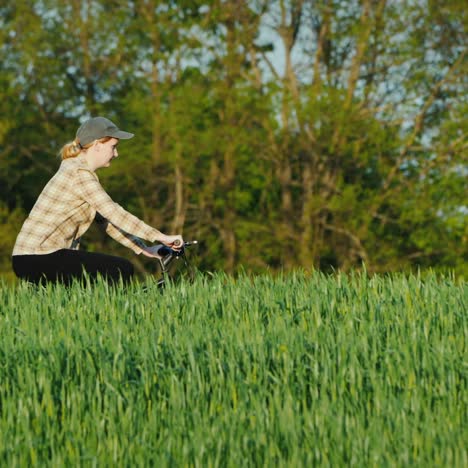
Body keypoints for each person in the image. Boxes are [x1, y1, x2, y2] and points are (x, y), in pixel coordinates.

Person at [12, 116, 183, 286]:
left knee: (83, 290)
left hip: (31, 258)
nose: (116, 154)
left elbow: (108, 221)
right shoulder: (79, 173)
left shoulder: (76, 170)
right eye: (113, 147)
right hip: (38, 256)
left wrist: (145, 248)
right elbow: (114, 212)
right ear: (96, 145)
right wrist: (160, 236)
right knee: (120, 270)